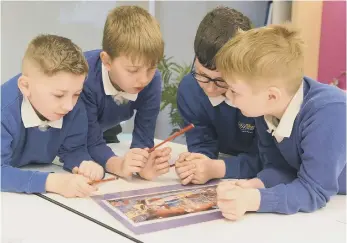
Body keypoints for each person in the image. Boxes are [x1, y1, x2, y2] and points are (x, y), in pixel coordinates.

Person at [214, 24, 346, 220]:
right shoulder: (264, 110)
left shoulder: (329, 111)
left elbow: (314, 190)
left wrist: (254, 200)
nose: (228, 96)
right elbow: (283, 169)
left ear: (271, 96)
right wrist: (254, 185)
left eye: (235, 91)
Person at [1, 34, 103, 197]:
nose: (69, 105)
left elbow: (74, 149)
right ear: (25, 86)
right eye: (58, 95)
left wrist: (85, 164)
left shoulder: (74, 106)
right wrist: (51, 182)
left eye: (77, 93)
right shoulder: (3, 111)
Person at [81, 6, 171, 181]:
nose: (144, 79)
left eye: (152, 67)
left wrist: (143, 163)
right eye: (132, 70)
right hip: (69, 135)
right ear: (107, 61)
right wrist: (119, 166)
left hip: (106, 128)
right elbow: (89, 141)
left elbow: (144, 137)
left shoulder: (152, 79)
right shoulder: (83, 78)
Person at [175, 7, 262, 185]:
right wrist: (197, 162)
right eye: (201, 73)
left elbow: (269, 160)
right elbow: (202, 144)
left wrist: (217, 168)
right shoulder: (190, 89)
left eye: (221, 80)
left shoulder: (259, 95)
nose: (209, 88)